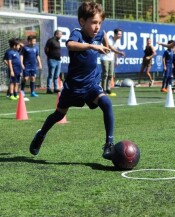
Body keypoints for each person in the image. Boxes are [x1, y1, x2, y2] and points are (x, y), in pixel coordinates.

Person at [29, 1, 115, 161]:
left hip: (91, 85)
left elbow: (103, 34)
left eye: (100, 22)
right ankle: (40, 135)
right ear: (82, 21)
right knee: (59, 115)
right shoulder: (77, 33)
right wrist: (92, 46)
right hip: (73, 86)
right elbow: (70, 45)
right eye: (94, 22)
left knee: (107, 103)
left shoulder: (99, 33)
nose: (97, 26)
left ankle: (109, 144)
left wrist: (110, 47)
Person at [100, 28, 125, 96]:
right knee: (105, 74)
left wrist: (116, 60)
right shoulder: (109, 40)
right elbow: (111, 48)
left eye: (121, 34)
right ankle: (103, 89)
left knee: (110, 75)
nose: (120, 35)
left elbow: (115, 51)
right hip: (104, 58)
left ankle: (108, 89)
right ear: (115, 34)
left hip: (111, 59)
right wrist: (120, 52)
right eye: (119, 34)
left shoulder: (118, 41)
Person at [45, 29, 63, 94]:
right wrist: (50, 57)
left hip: (58, 61)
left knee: (56, 75)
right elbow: (46, 49)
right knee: (51, 75)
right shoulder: (50, 41)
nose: (61, 36)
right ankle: (48, 89)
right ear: (56, 34)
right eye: (60, 34)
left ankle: (56, 88)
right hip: (52, 60)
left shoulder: (58, 42)